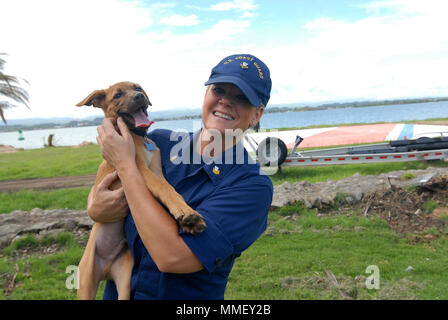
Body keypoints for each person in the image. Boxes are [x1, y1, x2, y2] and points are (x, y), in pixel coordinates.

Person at [89, 54, 273, 300]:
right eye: (218, 90)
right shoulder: (159, 143)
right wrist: (96, 207)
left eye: (241, 97)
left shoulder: (252, 187)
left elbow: (172, 257)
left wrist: (126, 166)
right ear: (206, 94)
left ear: (257, 114)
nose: (225, 101)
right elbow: (99, 204)